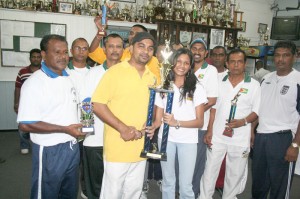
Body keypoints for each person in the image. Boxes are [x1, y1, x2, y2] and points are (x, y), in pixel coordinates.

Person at [17, 34, 85, 199]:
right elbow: (25, 125)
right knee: (46, 194)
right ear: (44, 55)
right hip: (49, 151)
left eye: (64, 51)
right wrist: (65, 130)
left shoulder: (67, 77)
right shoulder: (35, 83)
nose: (63, 56)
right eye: (57, 52)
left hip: (71, 147)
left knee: (69, 193)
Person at [91, 32, 157, 199]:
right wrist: (122, 128)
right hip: (117, 147)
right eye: (141, 46)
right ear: (131, 48)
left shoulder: (153, 77)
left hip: (140, 147)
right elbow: (97, 104)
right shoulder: (115, 72)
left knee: (134, 193)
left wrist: (154, 124)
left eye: (150, 48)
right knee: (112, 194)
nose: (145, 51)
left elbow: (155, 106)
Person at [200, 49, 261, 199]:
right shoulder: (219, 80)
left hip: (240, 138)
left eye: (239, 62)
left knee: (234, 175)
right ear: (227, 63)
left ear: (245, 64)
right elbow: (213, 110)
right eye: (232, 61)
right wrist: (209, 131)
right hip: (218, 136)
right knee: (209, 172)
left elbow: (256, 111)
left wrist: (243, 122)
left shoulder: (254, 85)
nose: (235, 65)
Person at [151, 48, 207, 199]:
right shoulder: (164, 86)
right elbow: (158, 119)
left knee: (186, 185)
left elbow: (200, 122)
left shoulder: (197, 88)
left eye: (186, 63)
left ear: (190, 66)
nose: (181, 66)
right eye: (179, 62)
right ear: (173, 63)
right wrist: (151, 128)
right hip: (166, 139)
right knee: (168, 182)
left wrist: (177, 123)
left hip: (188, 141)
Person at [252, 40, 300, 199]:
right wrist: (252, 131)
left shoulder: (298, 80)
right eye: (278, 55)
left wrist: (295, 144)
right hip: (261, 137)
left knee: (279, 187)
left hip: (283, 139)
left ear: (294, 57)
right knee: (258, 185)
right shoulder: (266, 78)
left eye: (285, 55)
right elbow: (258, 109)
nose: (281, 59)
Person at [83, 33, 124, 199]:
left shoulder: (129, 72)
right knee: (96, 183)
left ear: (123, 50)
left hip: (121, 138)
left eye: (118, 46)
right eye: (111, 46)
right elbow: (86, 102)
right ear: (104, 49)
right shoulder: (93, 73)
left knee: (117, 183)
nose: (115, 50)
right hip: (96, 138)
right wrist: (87, 128)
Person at [88, 16, 160, 83]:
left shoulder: (151, 60)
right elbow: (93, 52)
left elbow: (156, 84)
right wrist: (100, 31)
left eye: (137, 34)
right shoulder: (118, 54)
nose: (133, 36)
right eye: (131, 33)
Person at [190, 38, 218, 198]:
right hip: (185, 125)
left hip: (200, 125)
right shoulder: (184, 67)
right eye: (194, 48)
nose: (197, 52)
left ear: (206, 53)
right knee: (184, 161)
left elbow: (212, 100)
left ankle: (193, 193)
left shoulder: (211, 70)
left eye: (201, 49)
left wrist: (194, 114)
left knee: (197, 162)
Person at [66, 37, 91, 199]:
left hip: (87, 122)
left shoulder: (93, 72)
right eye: (77, 48)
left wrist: (87, 123)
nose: (81, 51)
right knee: (69, 164)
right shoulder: (62, 71)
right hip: (66, 124)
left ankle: (85, 189)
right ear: (71, 50)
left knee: (86, 161)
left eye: (84, 48)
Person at [14, 48, 42, 154]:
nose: (36, 59)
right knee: (23, 125)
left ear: (41, 58)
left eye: (38, 57)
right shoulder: (22, 72)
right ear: (30, 58)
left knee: (40, 125)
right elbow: (17, 88)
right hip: (26, 104)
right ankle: (24, 144)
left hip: (41, 105)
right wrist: (16, 102)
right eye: (33, 57)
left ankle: (38, 144)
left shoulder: (45, 70)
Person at [210, 45, 228, 195]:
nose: (217, 57)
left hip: (221, 122)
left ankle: (220, 184)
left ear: (225, 57)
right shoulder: (206, 72)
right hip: (203, 121)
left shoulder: (230, 75)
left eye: (221, 55)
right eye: (214, 55)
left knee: (222, 160)